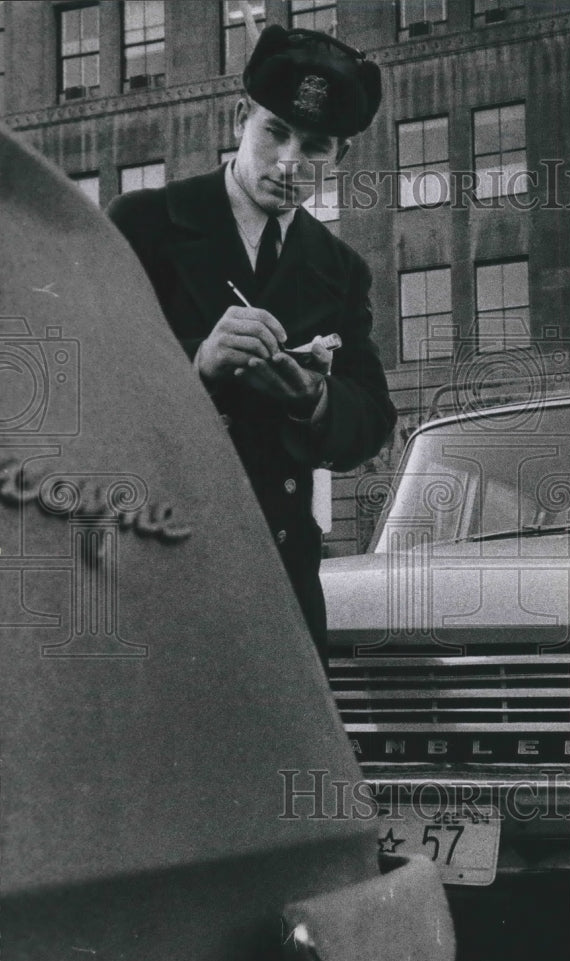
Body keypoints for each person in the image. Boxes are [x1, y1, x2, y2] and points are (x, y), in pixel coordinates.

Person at [108, 25, 396, 661]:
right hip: (156, 570)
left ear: (340, 157)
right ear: (241, 118)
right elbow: (87, 390)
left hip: (280, 579)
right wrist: (198, 364)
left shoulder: (341, 267)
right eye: (274, 132)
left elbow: (372, 422)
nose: (290, 162)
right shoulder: (145, 223)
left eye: (315, 146)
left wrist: (313, 399)